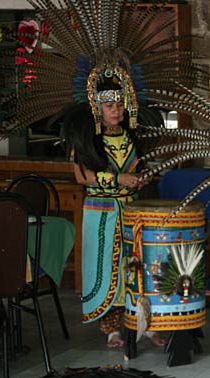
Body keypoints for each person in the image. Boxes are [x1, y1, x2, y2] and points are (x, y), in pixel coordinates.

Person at [70, 79, 165, 351]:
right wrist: (117, 179)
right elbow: (81, 176)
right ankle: (111, 329)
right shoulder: (87, 139)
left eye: (120, 105)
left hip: (130, 209)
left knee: (135, 266)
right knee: (105, 268)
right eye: (110, 105)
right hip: (101, 212)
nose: (116, 110)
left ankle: (144, 324)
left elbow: (137, 167)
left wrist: (141, 178)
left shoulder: (130, 136)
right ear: (97, 108)